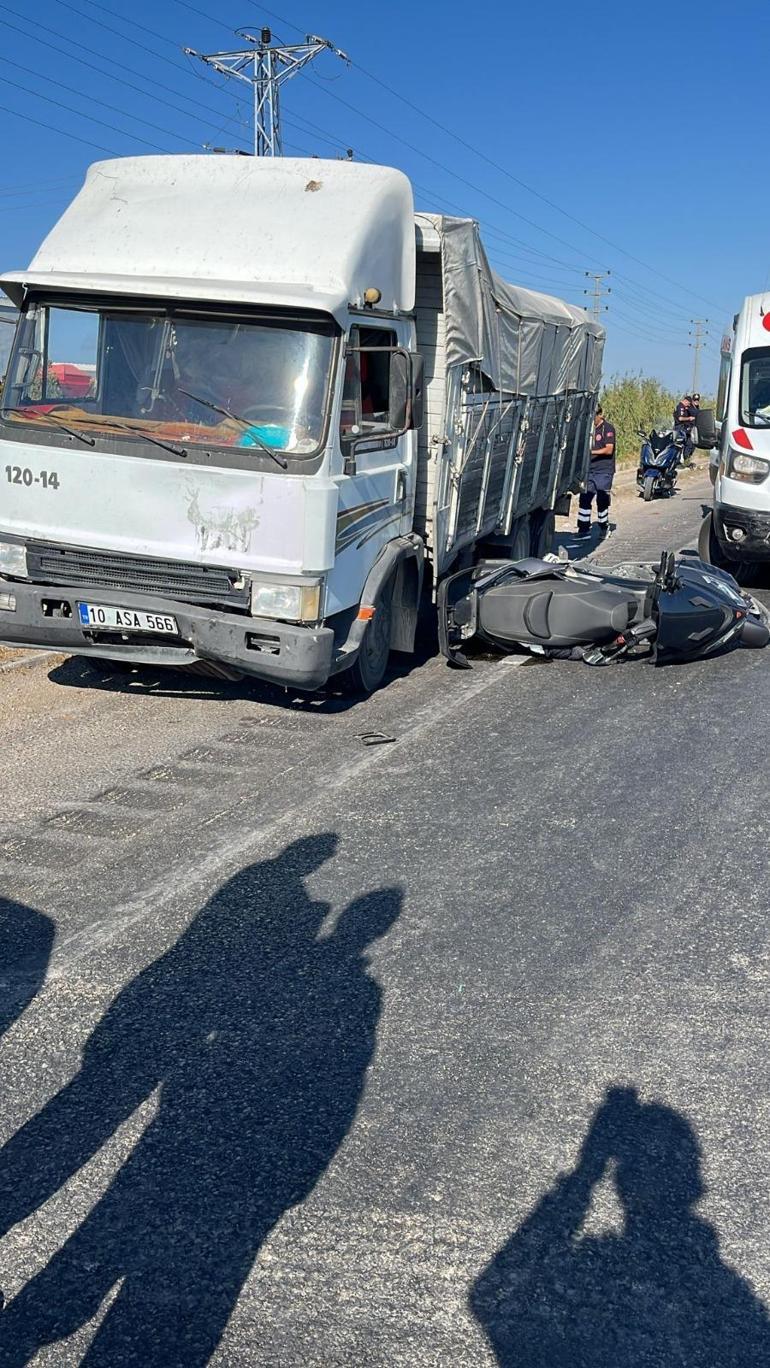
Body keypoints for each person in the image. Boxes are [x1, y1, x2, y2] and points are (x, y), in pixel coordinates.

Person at [576, 404, 616, 539]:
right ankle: (583, 530)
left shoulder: (608, 428)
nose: (591, 419)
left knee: (602, 500)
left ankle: (604, 528)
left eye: (593, 417)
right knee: (585, 499)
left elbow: (609, 449)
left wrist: (591, 452)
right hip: (590, 470)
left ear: (599, 415)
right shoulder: (589, 429)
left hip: (604, 471)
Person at [674, 393, 697, 465]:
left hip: (682, 428)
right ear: (686, 401)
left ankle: (684, 460)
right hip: (679, 428)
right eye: (688, 404)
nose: (688, 405)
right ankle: (677, 462)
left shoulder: (683, 407)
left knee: (687, 444)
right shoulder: (680, 407)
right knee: (679, 445)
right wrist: (689, 418)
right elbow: (680, 418)